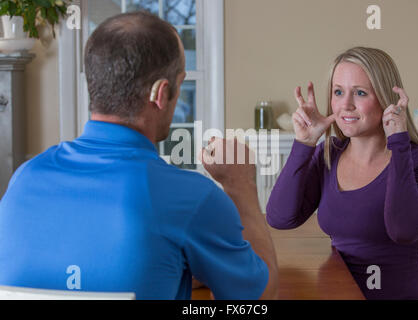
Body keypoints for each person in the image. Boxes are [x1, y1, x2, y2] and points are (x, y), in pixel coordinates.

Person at [0, 11, 278, 300]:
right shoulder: (191, 198)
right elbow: (258, 301)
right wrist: (240, 184)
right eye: (180, 84)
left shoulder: (24, 179)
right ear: (161, 93)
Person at [266, 47, 418, 300]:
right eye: (338, 92)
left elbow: (404, 230)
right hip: (338, 293)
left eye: (360, 93)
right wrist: (304, 144)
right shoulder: (329, 153)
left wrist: (399, 143)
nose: (346, 105)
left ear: (386, 99)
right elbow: (280, 218)